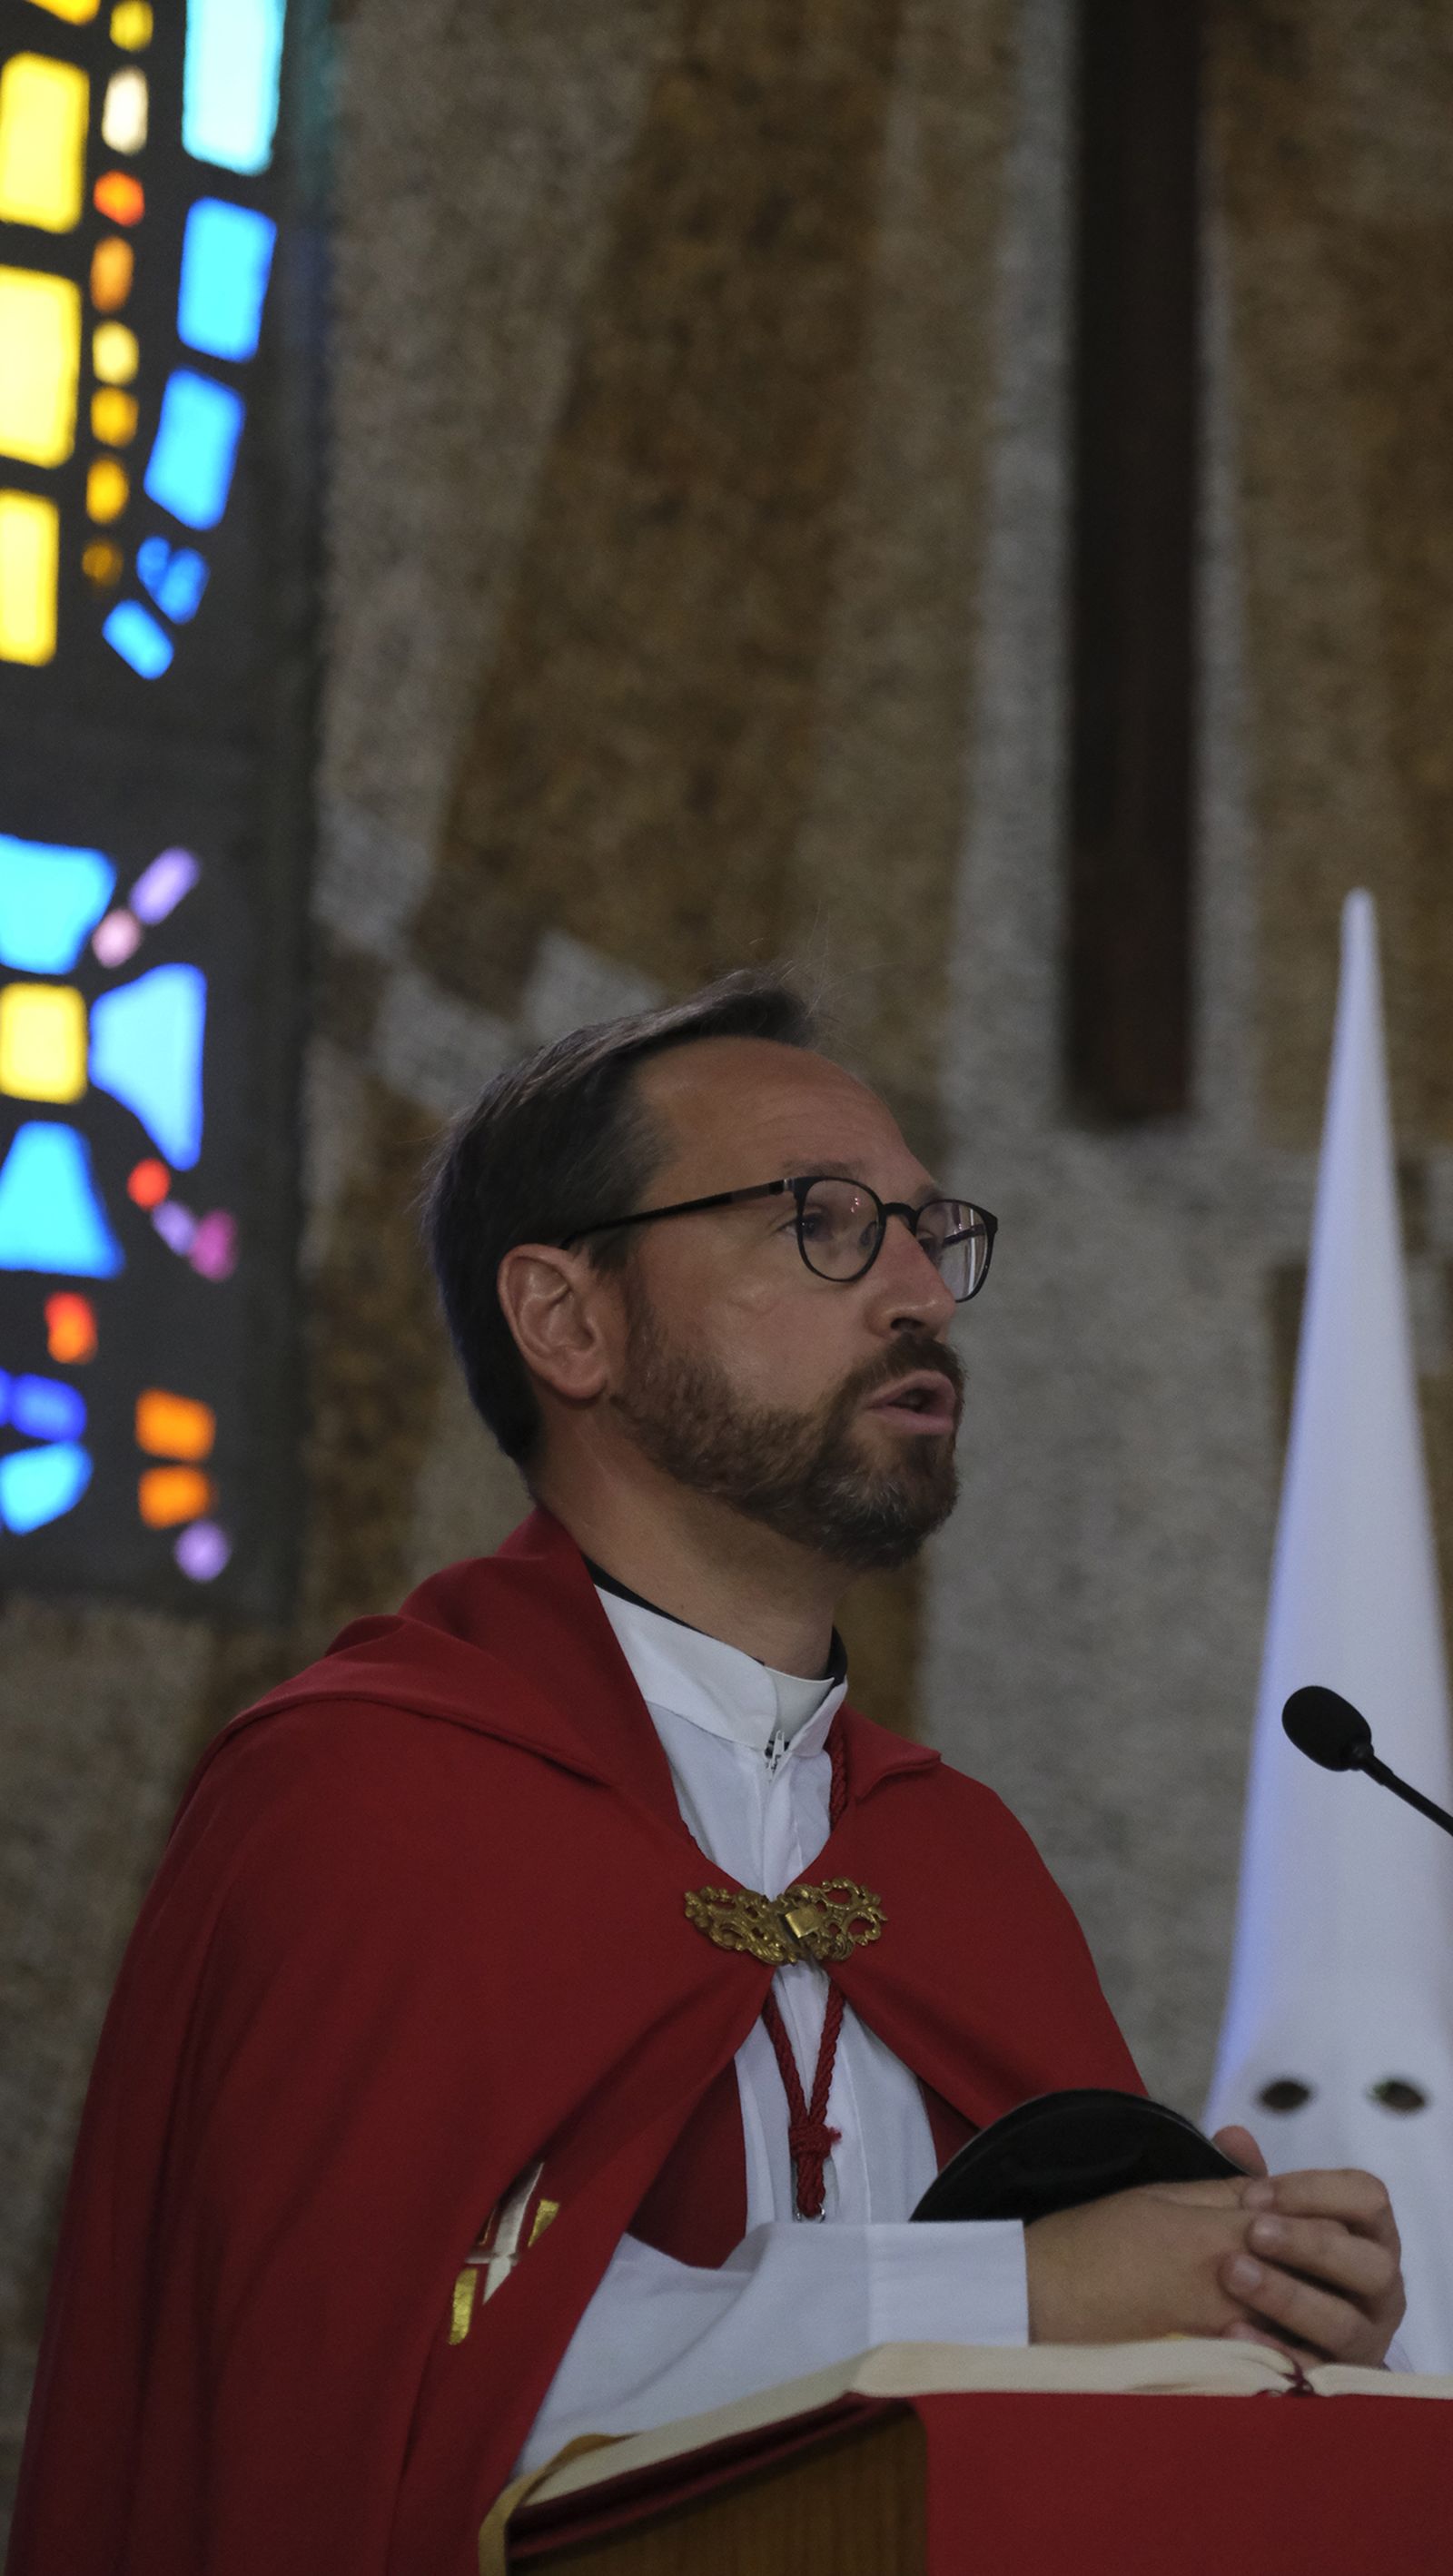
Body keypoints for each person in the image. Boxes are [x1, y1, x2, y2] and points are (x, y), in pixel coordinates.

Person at [10, 972, 1404, 2576]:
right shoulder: (363, 1806)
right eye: (820, 1221)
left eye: (926, 1230)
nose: (919, 1295)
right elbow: (386, 2396)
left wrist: (1250, 2297)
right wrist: (1028, 2291)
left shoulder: (958, 1864)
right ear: (571, 1320)